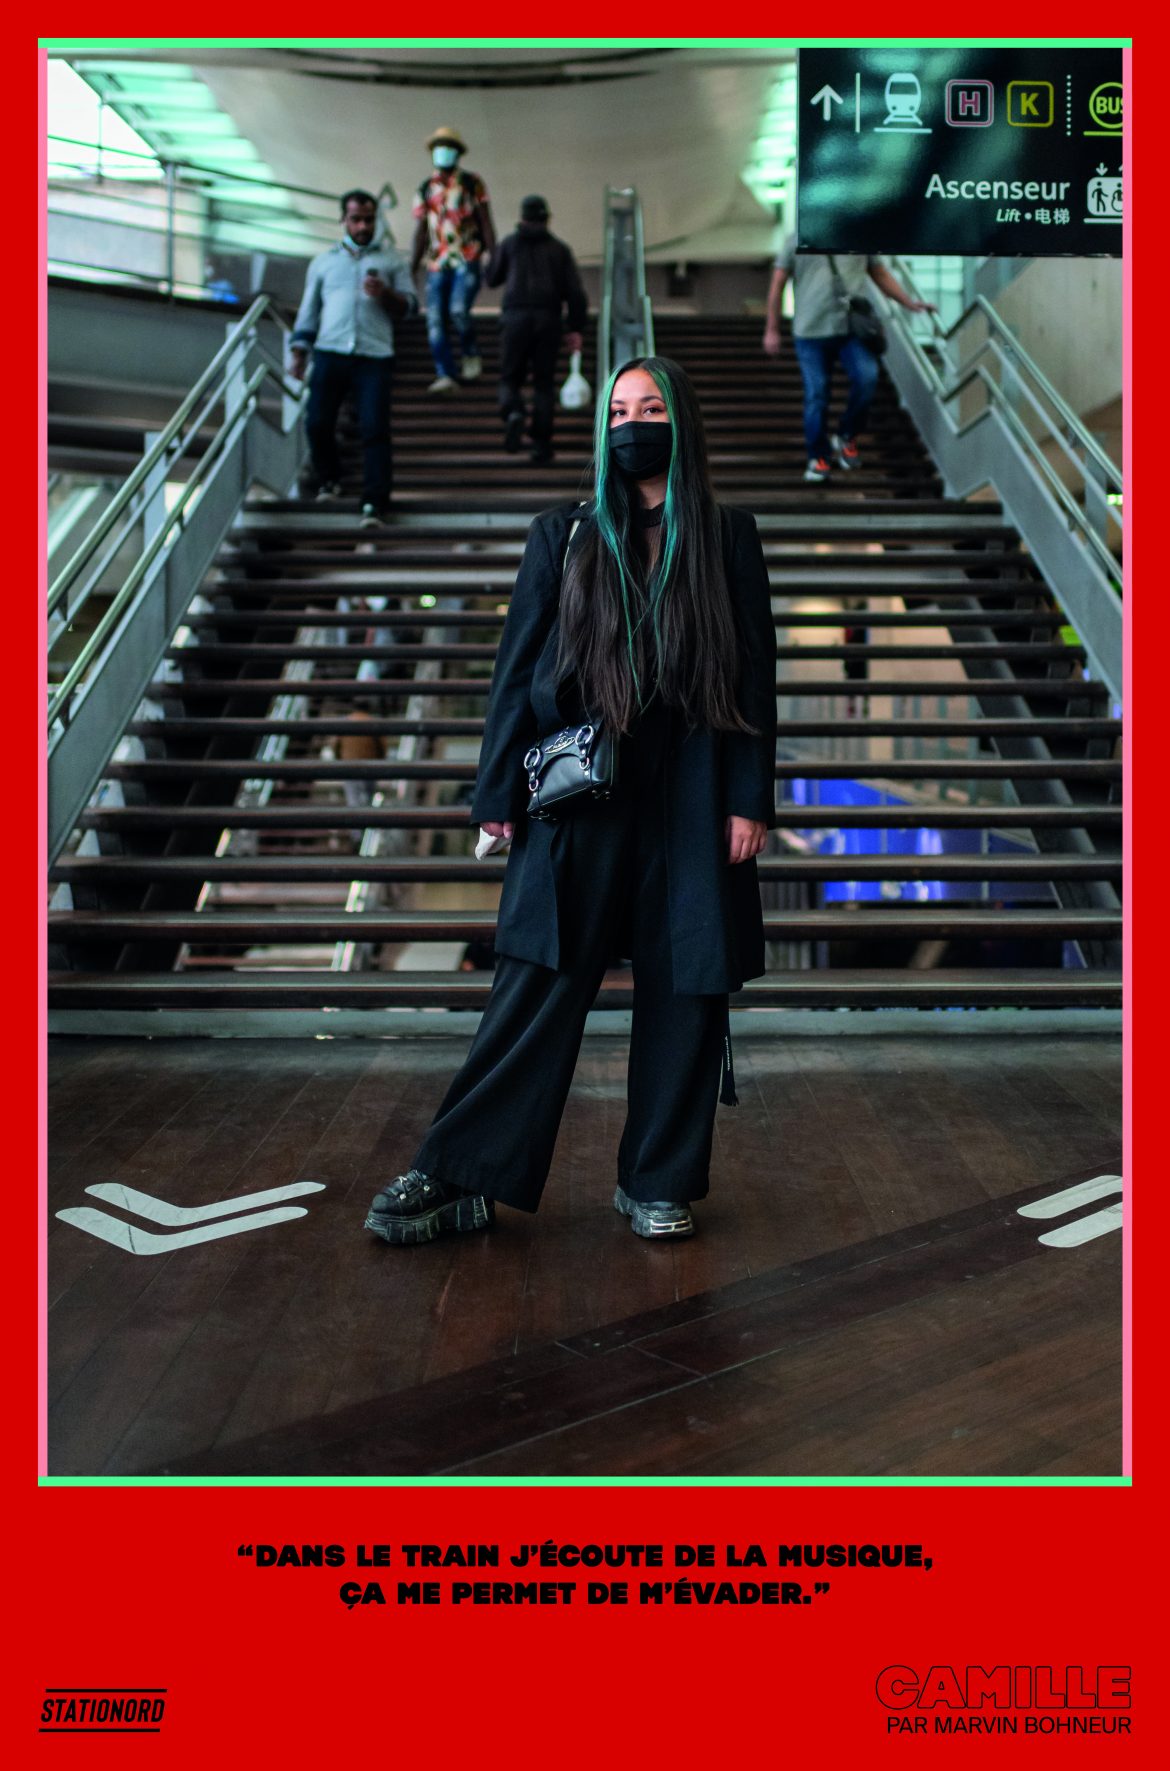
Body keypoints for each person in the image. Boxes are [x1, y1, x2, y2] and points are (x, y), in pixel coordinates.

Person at [363, 356, 778, 1247]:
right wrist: (495, 792)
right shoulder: (565, 532)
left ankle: (658, 1180)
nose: (632, 423)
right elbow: (516, 666)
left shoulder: (727, 535)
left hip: (692, 799)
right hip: (579, 790)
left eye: (651, 408)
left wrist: (750, 798)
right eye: (619, 409)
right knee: (535, 985)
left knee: (687, 992)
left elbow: (754, 675)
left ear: (682, 420)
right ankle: (464, 1172)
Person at [289, 189, 418, 527]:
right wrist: (299, 352)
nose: (363, 226)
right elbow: (309, 310)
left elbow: (411, 307)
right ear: (343, 220)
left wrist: (385, 294)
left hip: (375, 354)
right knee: (317, 422)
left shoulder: (392, 261)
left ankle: (375, 502)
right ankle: (329, 480)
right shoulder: (324, 262)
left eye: (369, 220)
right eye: (356, 219)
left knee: (374, 428)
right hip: (330, 350)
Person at [763, 235, 935, 482]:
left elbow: (880, 273)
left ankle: (847, 435)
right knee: (816, 395)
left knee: (867, 378)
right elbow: (777, 283)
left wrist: (909, 303)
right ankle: (818, 457)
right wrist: (772, 329)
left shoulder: (858, 234)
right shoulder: (795, 240)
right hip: (809, 331)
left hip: (851, 329)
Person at [486, 194, 587, 465]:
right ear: (547, 218)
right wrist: (575, 328)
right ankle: (541, 445)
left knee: (510, 377)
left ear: (522, 218)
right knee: (543, 383)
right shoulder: (559, 249)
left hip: (514, 318)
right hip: (548, 319)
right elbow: (575, 293)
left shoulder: (509, 244)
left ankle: (513, 412)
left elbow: (492, 278)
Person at [411, 126, 496, 395]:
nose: (443, 152)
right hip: (437, 262)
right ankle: (445, 372)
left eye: (448, 147)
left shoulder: (471, 183)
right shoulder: (426, 187)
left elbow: (485, 221)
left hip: (467, 256)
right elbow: (421, 230)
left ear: (457, 153)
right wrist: (411, 266)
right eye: (439, 147)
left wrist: (494, 256)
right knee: (435, 318)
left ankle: (470, 353)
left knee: (458, 310)